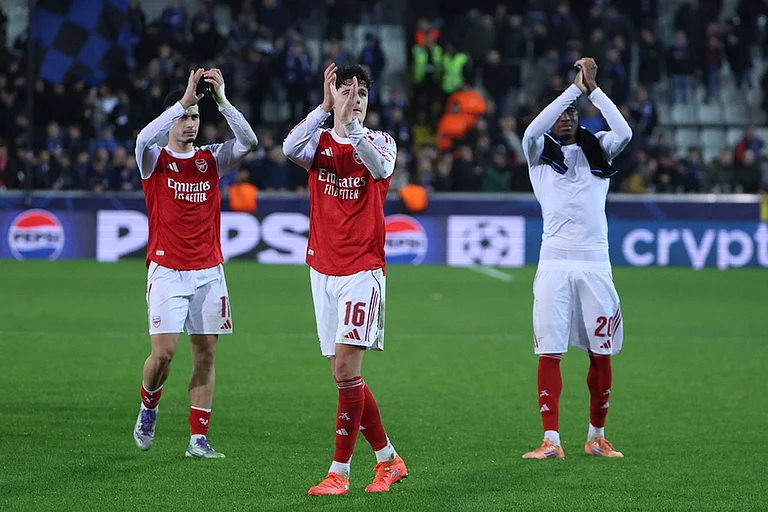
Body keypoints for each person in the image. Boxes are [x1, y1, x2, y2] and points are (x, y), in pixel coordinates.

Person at [283, 63, 407, 495]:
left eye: (363, 95)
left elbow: (375, 169)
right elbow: (288, 147)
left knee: (348, 367)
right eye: (348, 92)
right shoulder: (317, 143)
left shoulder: (382, 143)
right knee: (341, 372)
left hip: (363, 270)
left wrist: (351, 128)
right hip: (322, 269)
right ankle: (388, 459)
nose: (357, 101)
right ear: (334, 94)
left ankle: (340, 472)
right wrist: (322, 108)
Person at [132, 68, 258, 458]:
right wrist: (184, 100)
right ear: (172, 117)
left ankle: (197, 439)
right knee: (164, 354)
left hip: (208, 273)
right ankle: (149, 405)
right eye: (185, 117)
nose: (190, 124)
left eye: (195, 118)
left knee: (206, 355)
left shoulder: (210, 160)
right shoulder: (153, 159)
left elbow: (248, 141)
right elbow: (141, 137)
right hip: (168, 272)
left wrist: (220, 101)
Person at [521, 58, 632, 459]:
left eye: (572, 112)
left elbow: (626, 131)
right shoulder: (538, 153)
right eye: (560, 113)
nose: (565, 118)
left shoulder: (597, 147)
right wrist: (572, 90)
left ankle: (595, 436)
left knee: (600, 351)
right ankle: (551, 440)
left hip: (594, 264)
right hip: (553, 262)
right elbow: (532, 129)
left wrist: (593, 90)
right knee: (548, 349)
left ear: (580, 115)